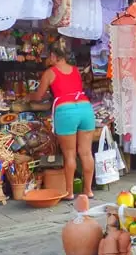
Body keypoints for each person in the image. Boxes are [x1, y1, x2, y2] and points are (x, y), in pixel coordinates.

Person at [29, 42, 95, 201]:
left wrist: (29, 96)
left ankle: (70, 192)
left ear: (53, 56)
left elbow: (39, 96)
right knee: (86, 153)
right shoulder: (75, 71)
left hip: (66, 111)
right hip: (85, 108)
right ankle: (88, 191)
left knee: (70, 154)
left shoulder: (50, 73)